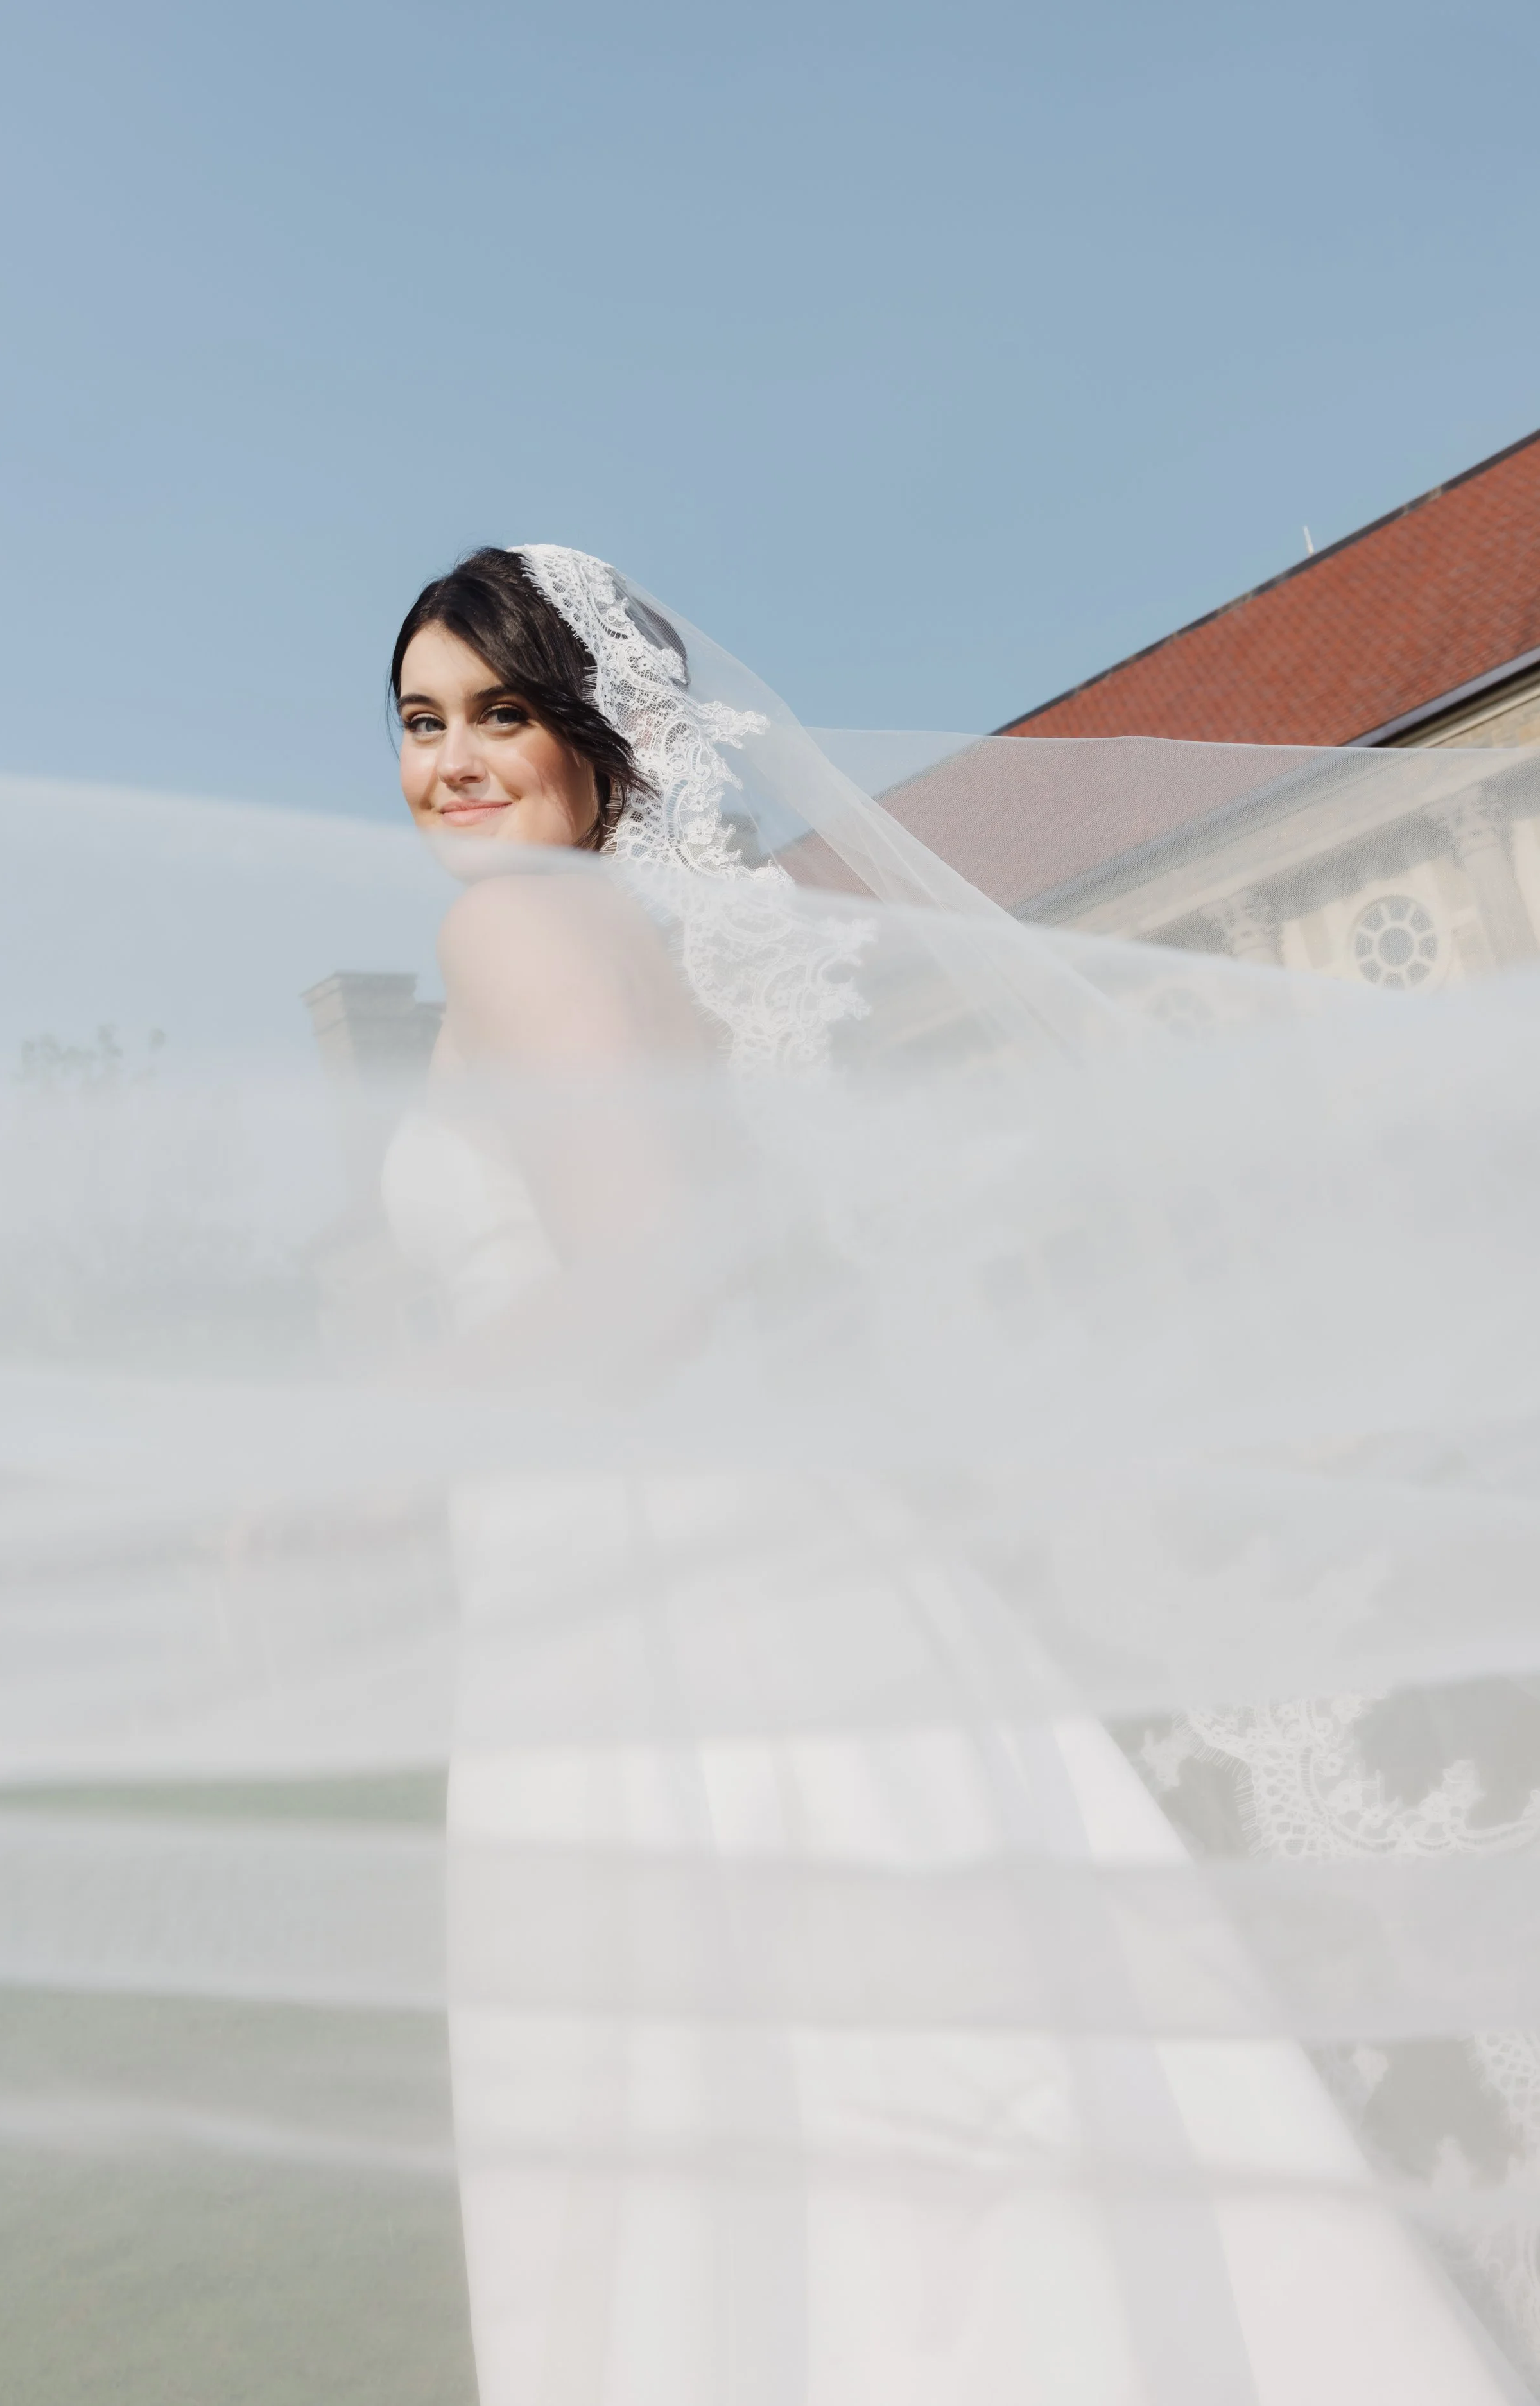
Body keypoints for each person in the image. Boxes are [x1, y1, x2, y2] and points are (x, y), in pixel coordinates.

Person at [378, 545, 1536, 2403]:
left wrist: (381, 1432)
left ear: (601, 735)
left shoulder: (516, 931)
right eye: (420, 722)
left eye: (498, 712)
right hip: (738, 1563)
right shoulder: (616, 937)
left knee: (759, 2132)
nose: (451, 760)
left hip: (656, 1611)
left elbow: (655, 1266)